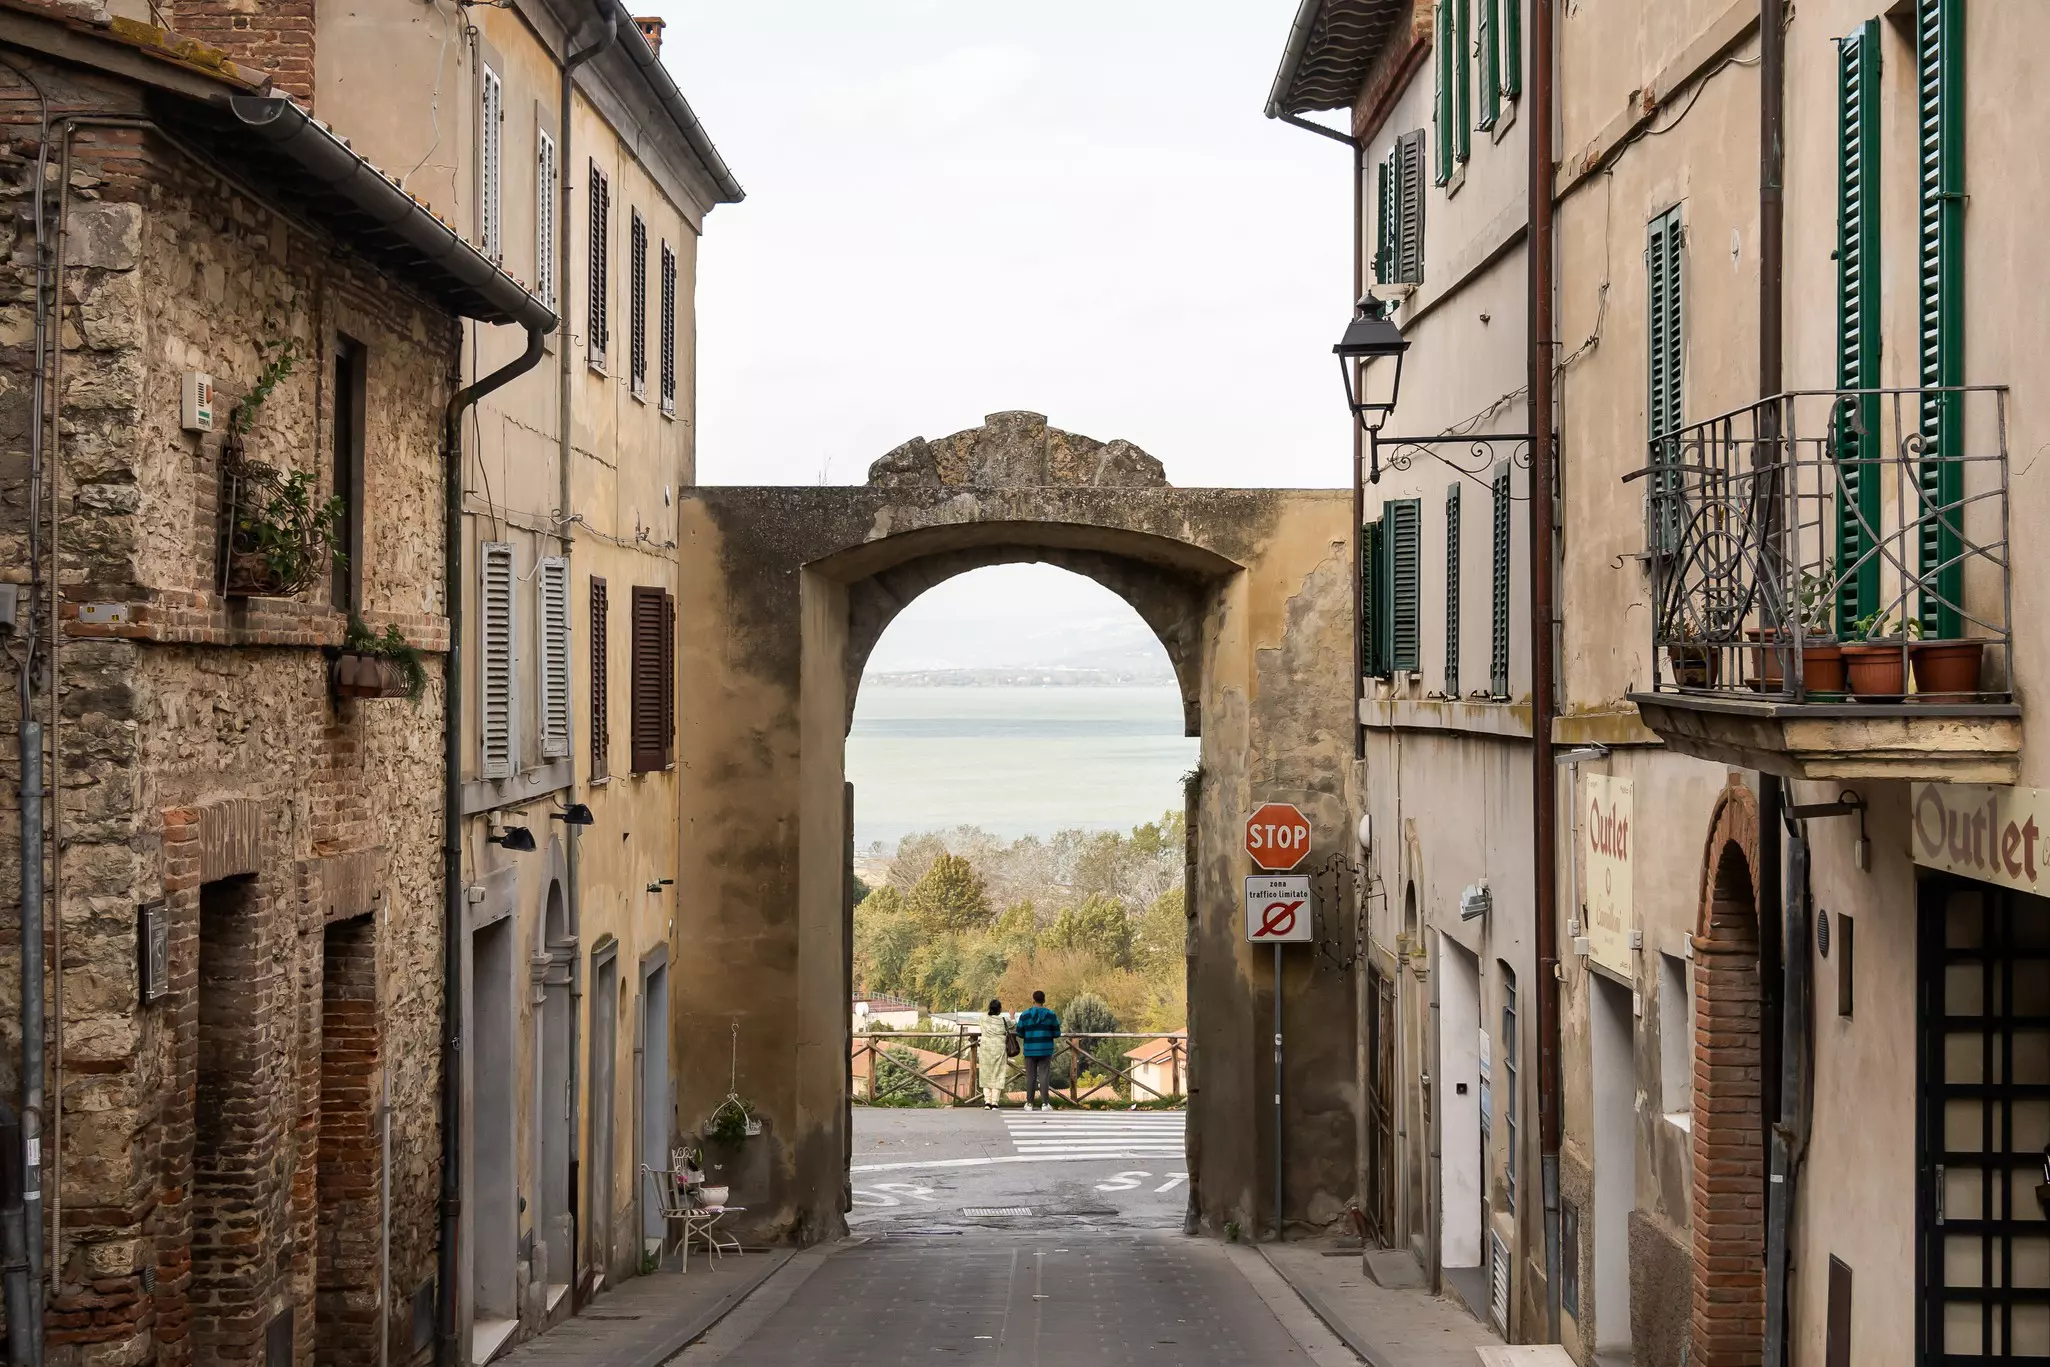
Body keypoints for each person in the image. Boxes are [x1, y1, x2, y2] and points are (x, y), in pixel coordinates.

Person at [1014, 990, 1061, 1111]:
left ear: (1033, 1000)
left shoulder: (1025, 1015)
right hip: (1045, 1050)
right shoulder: (1051, 1015)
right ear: (1044, 1000)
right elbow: (1057, 1033)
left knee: (1030, 1076)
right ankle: (1045, 1103)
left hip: (1030, 1049)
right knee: (1044, 1075)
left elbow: (1019, 1032)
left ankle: (1029, 1103)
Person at [976, 998, 1010, 1109]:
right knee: (998, 1074)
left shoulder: (983, 1018)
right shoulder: (1003, 1020)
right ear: (999, 1009)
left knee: (986, 1075)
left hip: (986, 1049)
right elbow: (1014, 1025)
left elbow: (984, 1015)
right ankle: (995, 1102)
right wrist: (1012, 1016)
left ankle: (987, 1101)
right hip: (999, 1049)